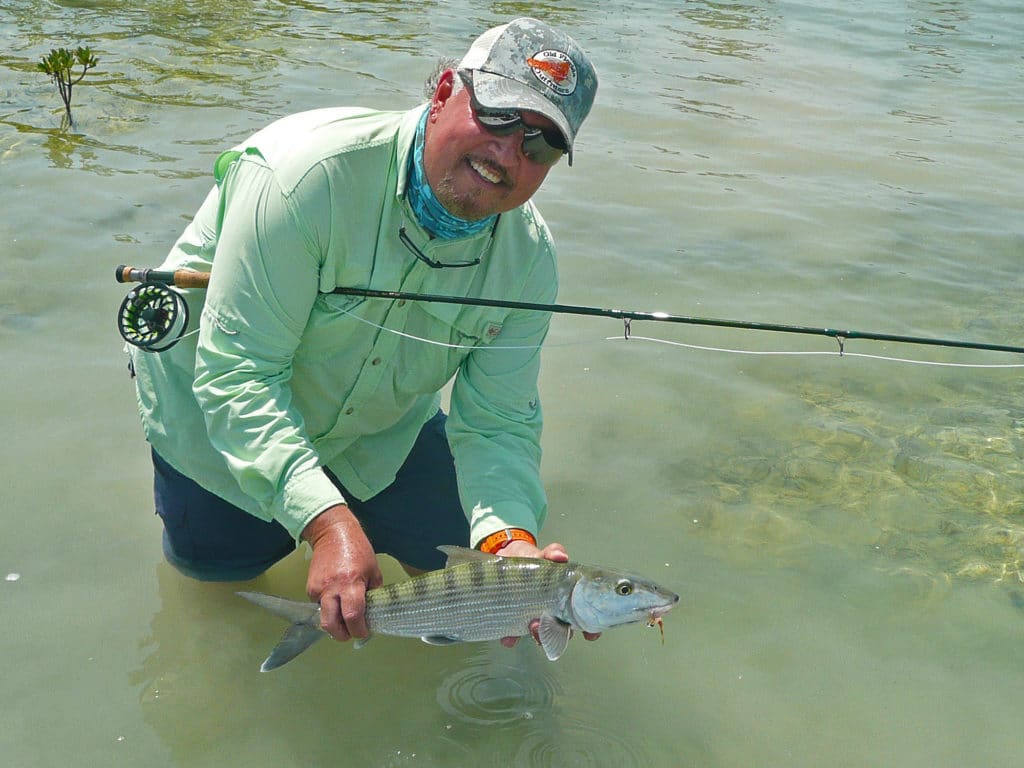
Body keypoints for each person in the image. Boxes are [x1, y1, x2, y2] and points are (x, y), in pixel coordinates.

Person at [128, 18, 599, 646]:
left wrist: (511, 542)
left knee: (462, 554)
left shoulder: (528, 259)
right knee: (214, 580)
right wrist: (326, 525)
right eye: (499, 117)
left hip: (380, 431)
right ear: (442, 93)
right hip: (217, 422)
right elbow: (237, 373)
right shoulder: (304, 177)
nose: (509, 152)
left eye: (540, 143)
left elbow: (498, 423)